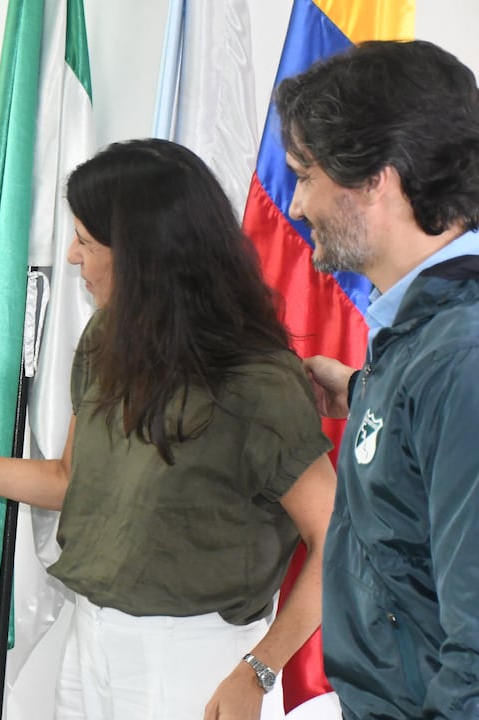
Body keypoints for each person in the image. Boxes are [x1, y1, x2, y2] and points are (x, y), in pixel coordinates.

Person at [0, 139, 337, 720]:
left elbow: (334, 539)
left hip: (194, 661)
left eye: (86, 241)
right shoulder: (108, 340)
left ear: (145, 255)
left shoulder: (256, 382)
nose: (70, 256)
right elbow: (68, 479)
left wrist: (261, 670)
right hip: (90, 640)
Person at [274, 40, 479, 719]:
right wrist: (366, 390)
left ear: (375, 179)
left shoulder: (462, 356)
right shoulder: (428, 334)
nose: (297, 206)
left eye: (306, 174)